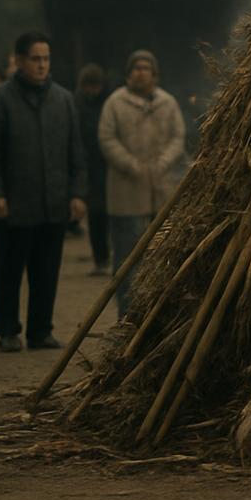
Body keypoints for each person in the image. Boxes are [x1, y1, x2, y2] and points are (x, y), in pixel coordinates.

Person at [0, 31, 87, 352]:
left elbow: (75, 152)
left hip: (53, 203)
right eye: (35, 59)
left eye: (46, 59)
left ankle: (40, 330)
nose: (41, 65)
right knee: (9, 270)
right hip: (12, 204)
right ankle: (8, 330)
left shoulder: (63, 100)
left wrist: (77, 193)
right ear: (19, 61)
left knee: (46, 271)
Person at [98, 51, 186, 316]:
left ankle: (155, 318)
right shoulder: (115, 103)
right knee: (127, 263)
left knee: (160, 261)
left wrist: (163, 162)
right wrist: (130, 164)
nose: (141, 72)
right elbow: (107, 139)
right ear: (128, 74)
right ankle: (127, 317)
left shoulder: (168, 103)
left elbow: (178, 137)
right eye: (136, 67)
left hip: (161, 195)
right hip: (127, 197)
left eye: (146, 68)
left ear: (155, 75)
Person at [75, 64, 114, 277]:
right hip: (89, 167)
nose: (90, 90)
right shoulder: (78, 103)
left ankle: (113, 256)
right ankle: (101, 259)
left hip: (109, 164)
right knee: (96, 215)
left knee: (113, 214)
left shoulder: (110, 102)